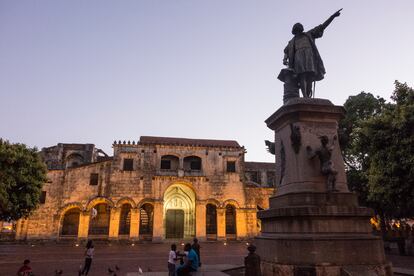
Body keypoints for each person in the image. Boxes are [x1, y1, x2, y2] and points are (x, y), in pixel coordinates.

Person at [283, 9, 342, 98]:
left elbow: (322, 26)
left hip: (309, 56)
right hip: (299, 57)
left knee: (310, 76)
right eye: (297, 26)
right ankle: (305, 96)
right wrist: (284, 58)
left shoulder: (309, 34)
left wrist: (332, 17)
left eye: (299, 26)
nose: (298, 27)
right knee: (302, 76)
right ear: (294, 30)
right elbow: (286, 51)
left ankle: (308, 96)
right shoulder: (292, 41)